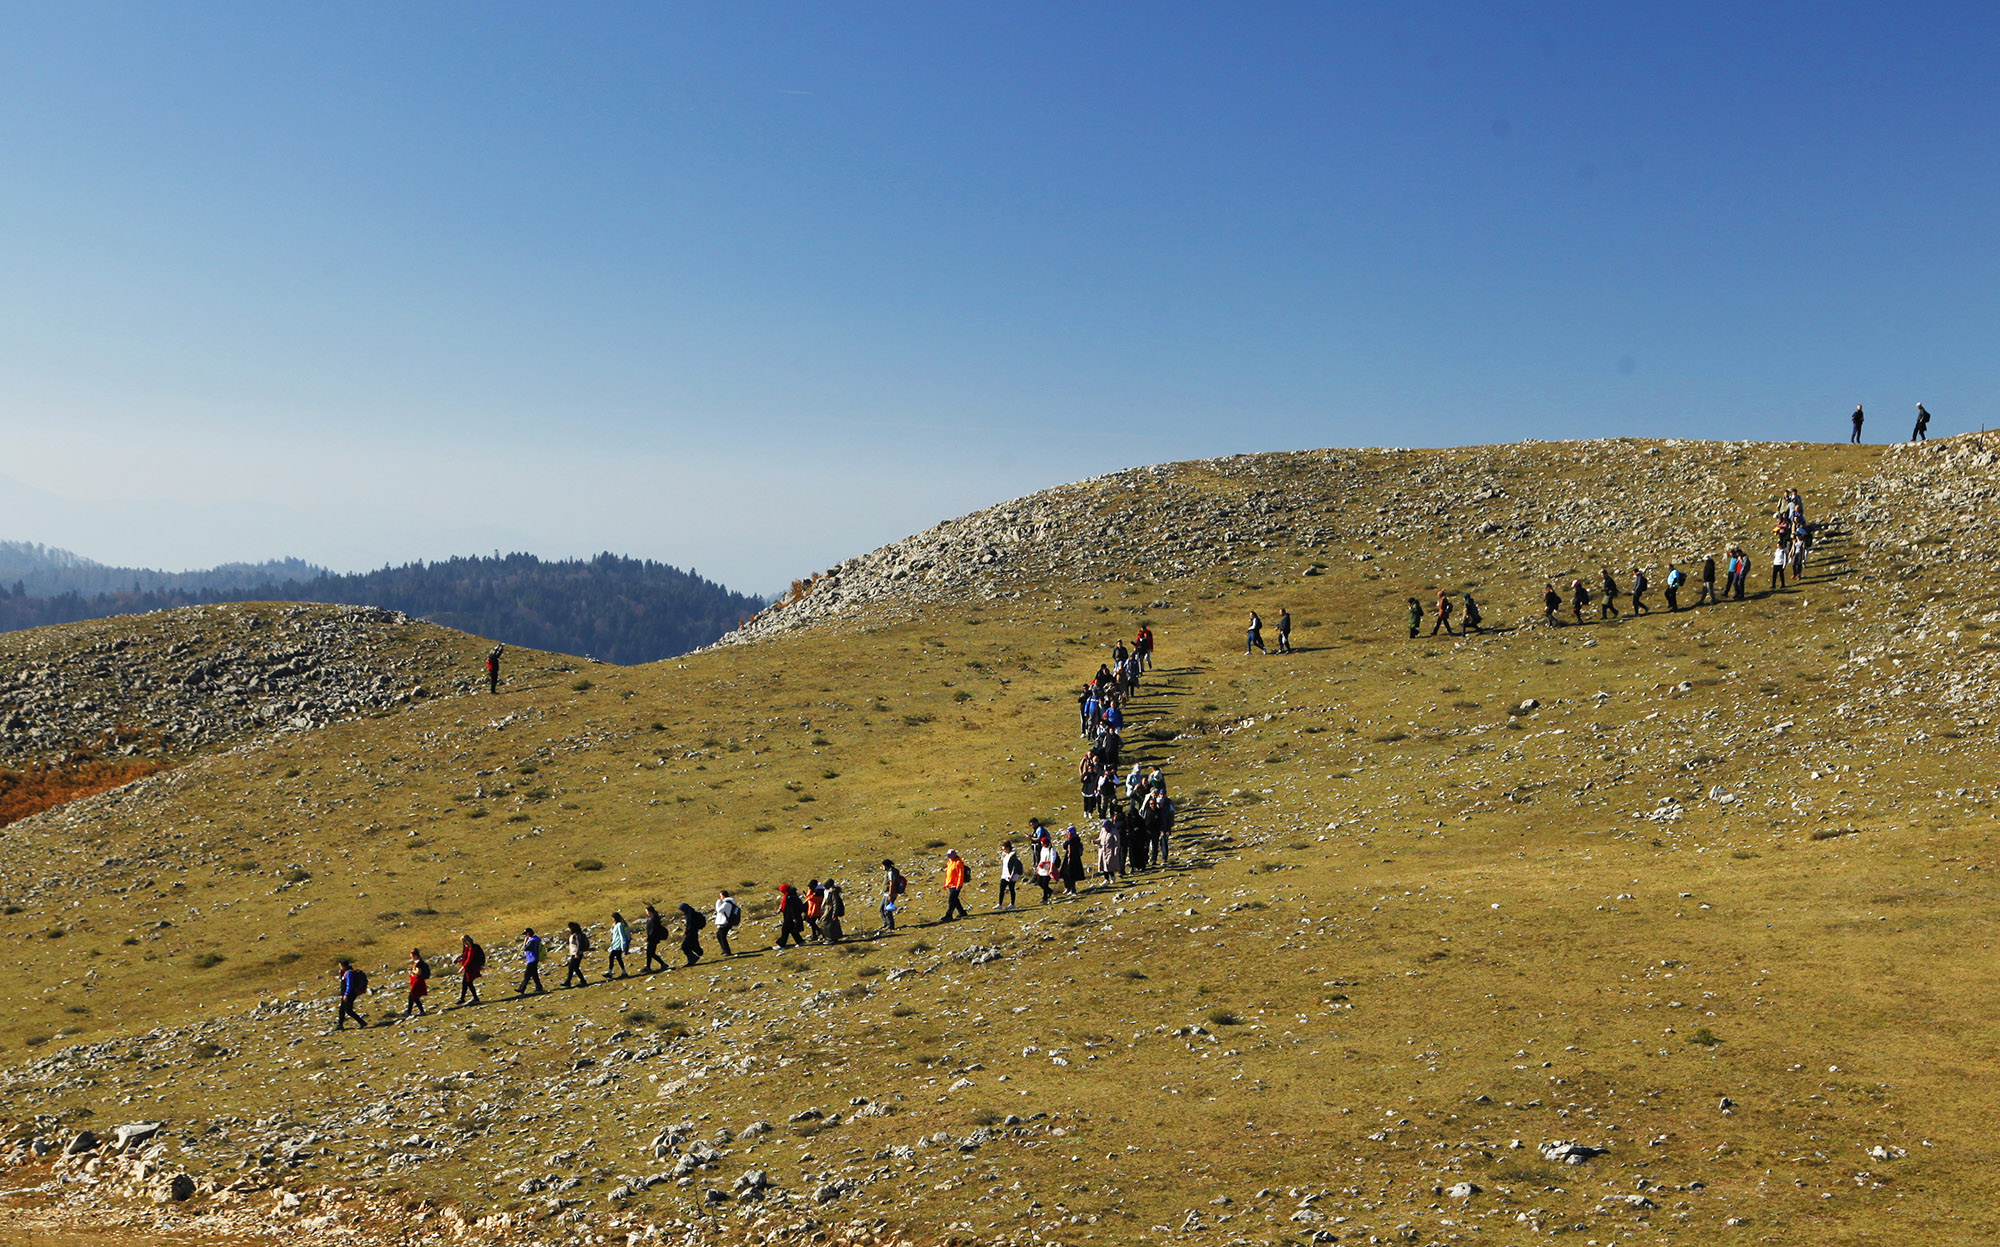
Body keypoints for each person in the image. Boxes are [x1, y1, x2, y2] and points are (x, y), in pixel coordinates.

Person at [334, 958, 367, 1031]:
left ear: (342, 965)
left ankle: (361, 1022)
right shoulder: (346, 972)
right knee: (342, 1009)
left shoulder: (348, 973)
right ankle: (340, 1025)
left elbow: (349, 985)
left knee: (348, 1010)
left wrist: (346, 994)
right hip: (349, 994)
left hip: (349, 994)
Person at [454, 934, 484, 1007]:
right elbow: (465, 957)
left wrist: (462, 967)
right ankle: (466, 998)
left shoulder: (471, 948)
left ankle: (469, 998)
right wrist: (459, 960)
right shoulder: (467, 947)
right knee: (466, 983)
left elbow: (469, 959)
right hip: (469, 967)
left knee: (468, 982)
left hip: (471, 968)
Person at [941, 850, 970, 922]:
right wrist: (946, 884)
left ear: (953, 855)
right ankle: (962, 912)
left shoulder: (958, 862)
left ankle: (949, 915)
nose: (947, 856)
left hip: (956, 885)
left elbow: (960, 874)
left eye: (949, 855)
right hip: (950, 884)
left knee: (951, 900)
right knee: (955, 899)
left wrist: (959, 884)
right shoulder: (949, 862)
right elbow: (948, 874)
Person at [775, 883, 806, 948]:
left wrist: (794, 917)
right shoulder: (789, 895)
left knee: (785, 930)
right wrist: (780, 909)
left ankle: (781, 945)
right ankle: (801, 942)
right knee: (792, 930)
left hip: (790, 916)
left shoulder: (790, 897)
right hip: (789, 915)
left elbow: (792, 908)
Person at [517, 928, 545, 996]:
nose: (526, 936)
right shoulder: (535, 939)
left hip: (532, 959)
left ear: (529, 933)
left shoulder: (532, 940)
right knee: (534, 974)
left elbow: (525, 948)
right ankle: (539, 987)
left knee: (527, 974)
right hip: (533, 959)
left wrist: (525, 942)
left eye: (526, 934)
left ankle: (522, 988)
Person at [561, 921, 590, 988]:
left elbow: (578, 945)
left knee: (572, 967)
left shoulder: (577, 935)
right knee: (574, 968)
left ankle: (569, 981)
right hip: (573, 953)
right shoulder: (574, 935)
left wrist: (577, 953)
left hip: (577, 953)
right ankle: (581, 981)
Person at [880, 860, 906, 932]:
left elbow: (891, 883)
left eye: (883, 865)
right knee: (881, 908)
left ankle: (890, 925)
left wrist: (890, 894)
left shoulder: (891, 872)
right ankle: (885, 923)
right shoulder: (890, 872)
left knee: (887, 910)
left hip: (890, 893)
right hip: (886, 893)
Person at [642, 904, 669, 973]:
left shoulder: (654, 919)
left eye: (647, 911)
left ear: (649, 911)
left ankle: (661, 964)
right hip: (653, 938)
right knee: (650, 953)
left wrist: (649, 937)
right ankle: (650, 966)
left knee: (650, 952)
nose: (646, 913)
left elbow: (653, 929)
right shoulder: (654, 918)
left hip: (653, 938)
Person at [996, 841, 1023, 910]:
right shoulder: (1005, 855)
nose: (1004, 850)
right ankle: (1000, 904)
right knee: (1002, 889)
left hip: (1011, 875)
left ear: (1008, 848)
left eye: (1005, 849)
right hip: (1004, 874)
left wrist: (1012, 875)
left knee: (1011, 889)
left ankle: (1012, 903)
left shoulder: (1012, 855)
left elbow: (1014, 866)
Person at [404, 948, 431, 1017]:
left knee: (412, 995)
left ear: (415, 956)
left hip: (417, 981)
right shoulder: (418, 962)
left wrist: (412, 971)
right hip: (417, 980)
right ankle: (420, 1011)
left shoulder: (418, 963)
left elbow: (418, 972)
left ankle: (410, 1012)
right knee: (414, 996)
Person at [1060, 824, 1085, 895]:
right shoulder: (1069, 840)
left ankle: (1073, 889)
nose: (1068, 833)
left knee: (1072, 875)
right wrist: (1067, 840)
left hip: (1074, 860)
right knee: (1065, 874)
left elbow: (1075, 849)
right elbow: (1064, 847)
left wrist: (1069, 841)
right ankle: (1067, 887)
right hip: (1067, 858)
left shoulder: (1076, 840)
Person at [714, 890, 740, 956]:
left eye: (721, 896)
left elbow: (719, 910)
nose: (720, 898)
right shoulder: (729, 903)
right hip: (725, 922)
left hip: (725, 923)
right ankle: (724, 950)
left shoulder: (727, 904)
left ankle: (727, 951)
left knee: (722, 936)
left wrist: (718, 902)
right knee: (720, 936)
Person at [606, 911, 631, 978]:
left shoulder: (619, 925)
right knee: (618, 958)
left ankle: (610, 973)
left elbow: (621, 935)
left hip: (618, 945)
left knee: (611, 957)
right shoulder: (616, 925)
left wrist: (623, 946)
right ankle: (624, 972)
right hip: (616, 945)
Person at [822, 878, 846, 943]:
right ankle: (831, 938)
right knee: (829, 923)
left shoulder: (833, 892)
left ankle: (830, 938)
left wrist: (834, 913)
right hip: (827, 908)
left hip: (830, 909)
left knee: (827, 923)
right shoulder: (828, 891)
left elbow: (835, 903)